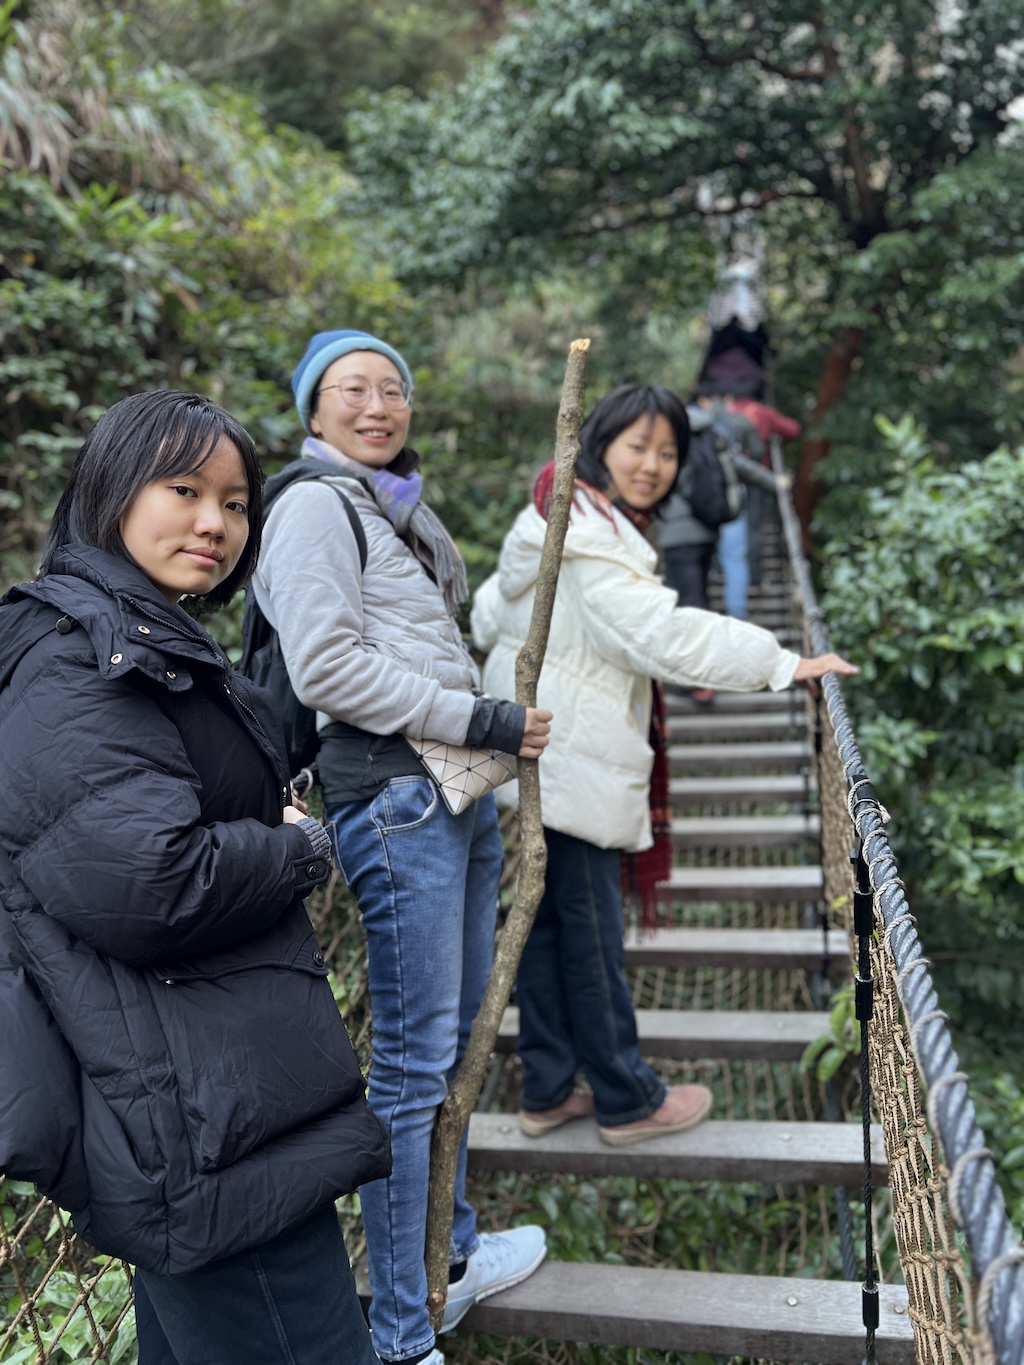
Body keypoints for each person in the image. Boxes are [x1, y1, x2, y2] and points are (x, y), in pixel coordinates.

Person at [0, 390, 391, 1365]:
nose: (215, 522)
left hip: (207, 1098)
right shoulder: (79, 661)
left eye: (236, 501)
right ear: (111, 487)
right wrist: (298, 848)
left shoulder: (138, 637)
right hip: (199, 1122)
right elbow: (148, 884)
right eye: (184, 489)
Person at [251, 329, 550, 1365]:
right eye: (353, 389)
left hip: (447, 792)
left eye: (394, 389)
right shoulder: (311, 506)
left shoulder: (388, 511)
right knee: (416, 1063)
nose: (378, 405)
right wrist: (483, 719)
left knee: (453, 1042)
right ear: (312, 409)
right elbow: (327, 668)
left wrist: (479, 733)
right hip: (394, 794)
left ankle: (447, 1255)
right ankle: (398, 1332)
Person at [471, 383, 857, 1148]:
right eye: (637, 446)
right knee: (590, 935)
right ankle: (626, 1097)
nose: (652, 465)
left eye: (668, 451)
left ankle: (549, 1086)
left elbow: (486, 613)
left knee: (549, 927)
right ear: (599, 446)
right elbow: (659, 634)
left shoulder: (552, 515)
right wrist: (781, 662)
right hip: (571, 756)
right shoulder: (587, 532)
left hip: (538, 750)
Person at [656, 386, 787, 703]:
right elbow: (738, 465)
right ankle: (703, 672)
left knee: (688, 603)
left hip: (677, 534)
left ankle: (699, 681)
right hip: (706, 530)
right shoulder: (711, 435)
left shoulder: (672, 440)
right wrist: (775, 482)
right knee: (697, 596)